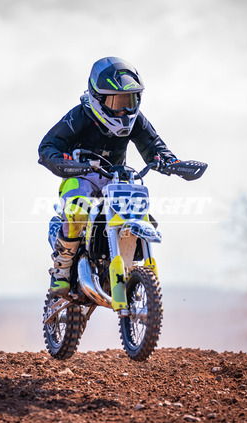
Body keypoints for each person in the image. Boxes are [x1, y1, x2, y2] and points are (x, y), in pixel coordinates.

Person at [38, 56, 179, 300]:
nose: (124, 110)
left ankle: (132, 272)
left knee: (144, 216)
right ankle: (62, 269)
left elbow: (153, 145)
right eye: (116, 101)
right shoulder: (80, 116)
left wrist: (169, 161)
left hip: (116, 180)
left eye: (129, 100)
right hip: (79, 177)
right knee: (78, 210)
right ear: (97, 98)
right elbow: (49, 145)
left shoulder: (136, 120)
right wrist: (62, 161)